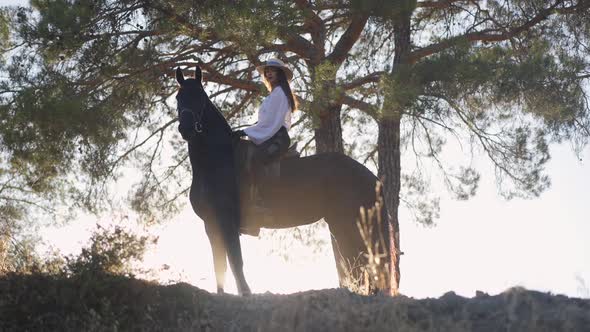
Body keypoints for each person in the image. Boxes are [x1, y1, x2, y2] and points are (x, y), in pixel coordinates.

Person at [233, 58, 298, 208]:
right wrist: (247, 131)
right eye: (267, 71)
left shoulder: (279, 93)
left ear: (280, 74)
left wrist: (244, 131)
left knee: (258, 158)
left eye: (272, 70)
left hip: (277, 137)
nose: (268, 73)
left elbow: (269, 123)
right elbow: (265, 123)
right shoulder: (275, 93)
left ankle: (263, 200)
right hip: (271, 135)